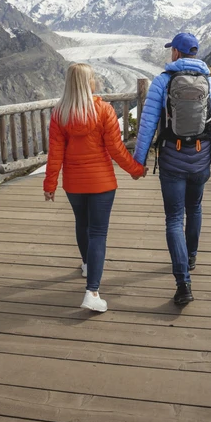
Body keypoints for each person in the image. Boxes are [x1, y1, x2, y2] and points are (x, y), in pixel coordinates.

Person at [133, 32, 211, 306]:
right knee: (195, 209)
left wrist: (138, 162)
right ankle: (190, 257)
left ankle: (183, 283)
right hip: (201, 159)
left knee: (174, 219)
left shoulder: (162, 83)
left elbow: (147, 126)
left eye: (171, 51)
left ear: (176, 53)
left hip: (171, 159)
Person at [44, 63, 146, 312]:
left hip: (74, 184)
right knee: (98, 233)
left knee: (82, 224)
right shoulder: (103, 110)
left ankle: (87, 264)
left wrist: (50, 184)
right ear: (89, 82)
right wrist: (136, 170)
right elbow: (116, 149)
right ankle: (92, 291)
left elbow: (55, 152)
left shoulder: (60, 114)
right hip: (101, 183)